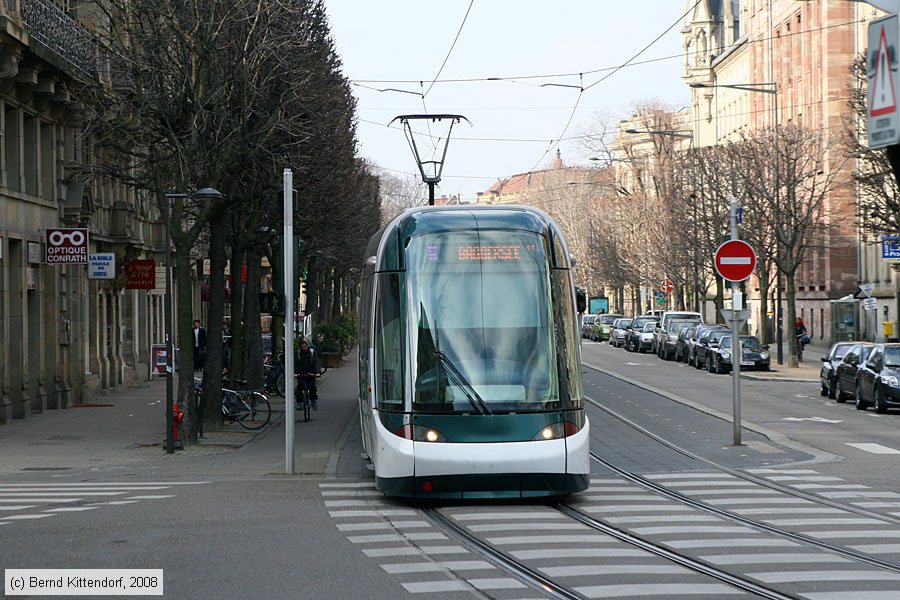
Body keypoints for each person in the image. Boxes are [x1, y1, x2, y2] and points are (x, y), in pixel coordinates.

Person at [296, 340, 322, 410]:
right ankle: (299, 402)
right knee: (300, 386)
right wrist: (295, 373)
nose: (303, 348)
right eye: (302, 347)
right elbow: (295, 363)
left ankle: (313, 401)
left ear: (307, 346)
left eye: (304, 347)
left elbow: (317, 362)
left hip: (311, 373)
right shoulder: (298, 354)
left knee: (312, 387)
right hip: (301, 373)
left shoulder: (312, 353)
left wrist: (317, 372)